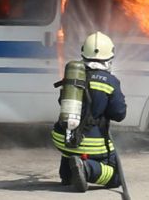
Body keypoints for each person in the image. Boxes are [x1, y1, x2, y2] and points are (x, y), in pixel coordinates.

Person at [52, 31, 127, 192]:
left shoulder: (73, 74)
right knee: (116, 177)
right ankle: (86, 169)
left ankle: (67, 173)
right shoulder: (110, 81)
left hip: (62, 138)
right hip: (91, 144)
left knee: (72, 139)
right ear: (109, 57)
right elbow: (119, 114)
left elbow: (62, 102)